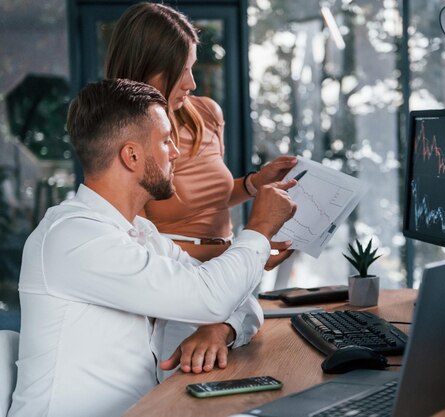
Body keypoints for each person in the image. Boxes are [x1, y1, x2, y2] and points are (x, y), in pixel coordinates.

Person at [8, 78, 297, 417]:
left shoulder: (140, 232)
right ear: (131, 155)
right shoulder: (74, 237)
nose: (174, 152)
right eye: (165, 141)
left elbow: (237, 300)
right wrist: (261, 228)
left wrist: (220, 328)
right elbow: (211, 297)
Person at [105, 2, 297, 267]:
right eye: (180, 71)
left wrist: (254, 184)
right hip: (178, 277)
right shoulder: (121, 138)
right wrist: (245, 251)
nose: (191, 83)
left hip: (227, 268)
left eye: (191, 67)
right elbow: (141, 245)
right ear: (144, 68)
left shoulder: (206, 113)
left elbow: (209, 199)